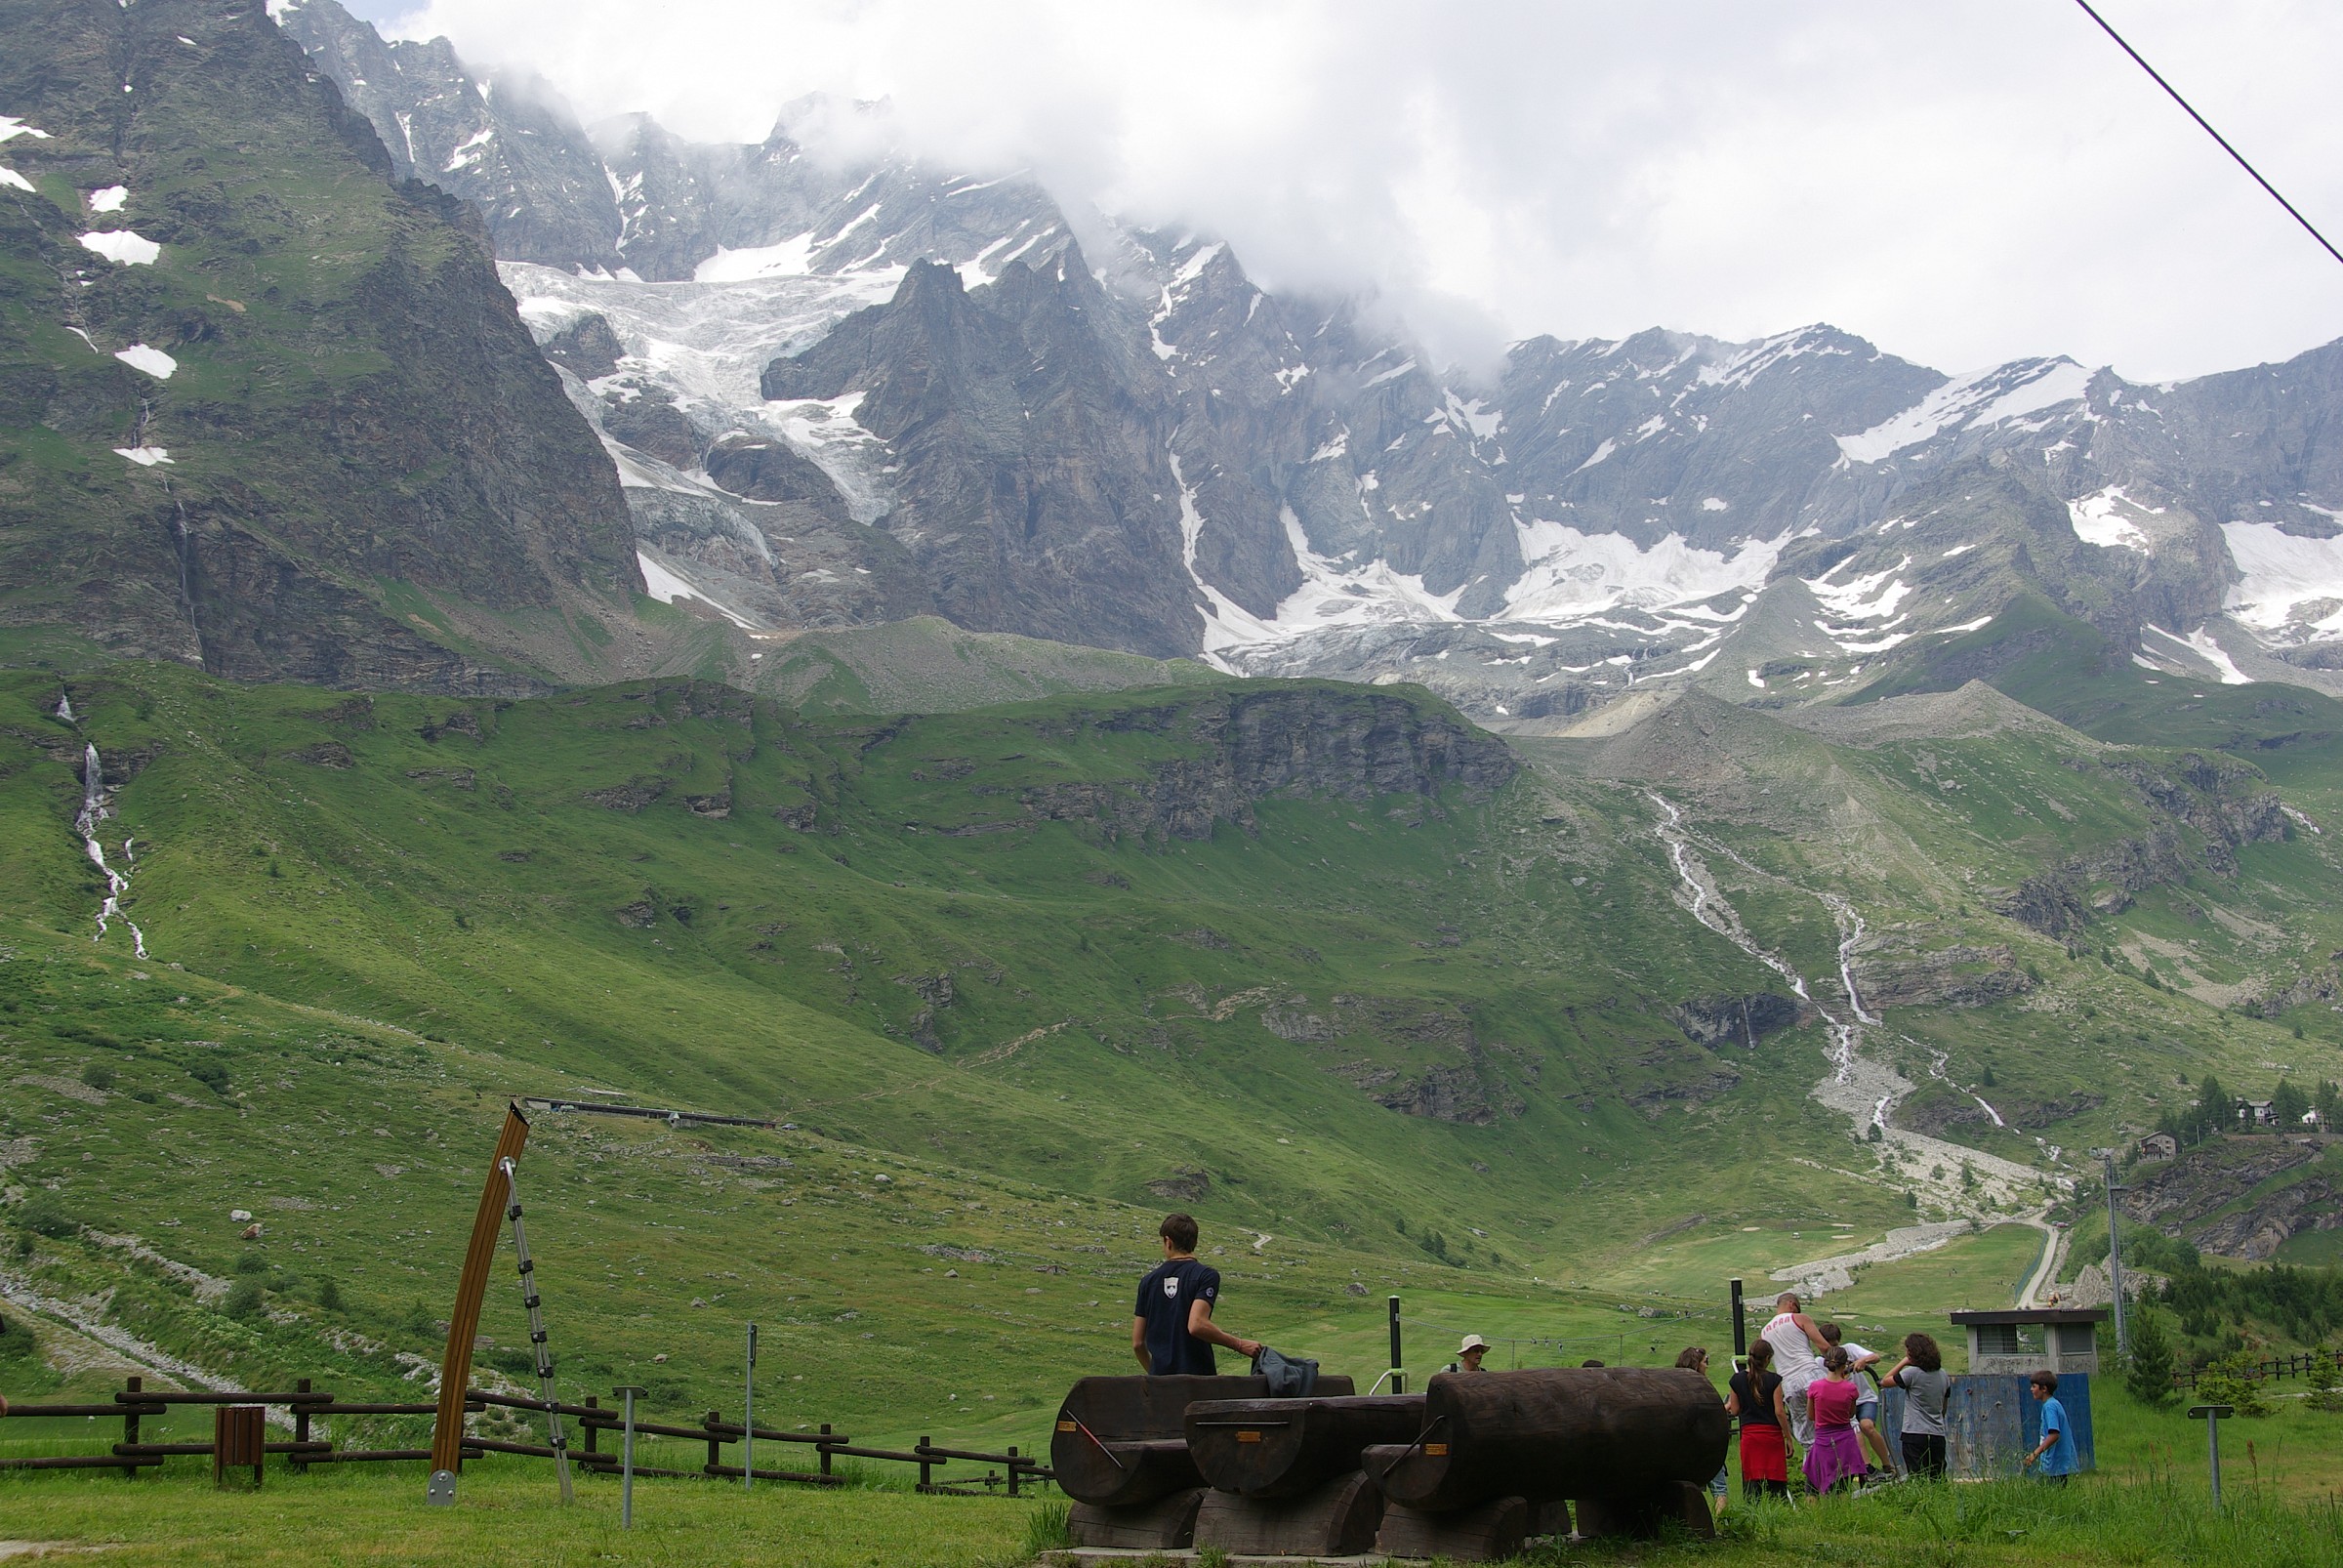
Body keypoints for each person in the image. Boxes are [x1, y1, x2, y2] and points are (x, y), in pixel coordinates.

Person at [1131, 1213, 1260, 1375]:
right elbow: (1196, 1324)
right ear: (1195, 1241)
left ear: (1168, 1241)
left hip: (1160, 1385)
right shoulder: (1205, 1275)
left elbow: (1137, 1343)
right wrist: (1239, 1344)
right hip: (1198, 1379)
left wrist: (1154, 1375)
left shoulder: (1148, 1281)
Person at [1818, 1321, 1895, 1478]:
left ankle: (1887, 1465)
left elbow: (1875, 1357)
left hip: (1864, 1399)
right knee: (1853, 1431)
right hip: (1843, 1403)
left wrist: (1862, 1361)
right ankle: (1865, 1469)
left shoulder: (1850, 1350)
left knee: (1867, 1426)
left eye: (1835, 1345)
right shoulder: (1819, 1363)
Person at [1760, 1292, 1830, 1448]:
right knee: (1835, 1423)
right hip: (1810, 1374)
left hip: (1788, 1384)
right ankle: (1845, 1468)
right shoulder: (1799, 1318)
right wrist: (1839, 1365)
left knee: (1808, 1439)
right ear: (1791, 1304)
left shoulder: (1764, 1332)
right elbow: (1823, 1346)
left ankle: (1814, 1470)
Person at [1726, 1338, 1792, 1502]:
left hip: (1750, 1436)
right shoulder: (1774, 1380)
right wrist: (1788, 1437)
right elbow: (1779, 1411)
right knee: (1776, 1481)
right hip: (1772, 1437)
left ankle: (1753, 1513)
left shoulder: (1737, 1380)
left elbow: (1734, 1410)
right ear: (1768, 1359)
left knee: (1752, 1481)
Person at [1883, 1332, 1951, 1479]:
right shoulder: (1943, 1375)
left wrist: (1903, 1362)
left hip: (1914, 1433)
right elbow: (1943, 1408)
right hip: (1937, 1434)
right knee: (1937, 1477)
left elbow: (1884, 1382)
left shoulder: (1911, 1373)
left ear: (1913, 1352)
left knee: (1917, 1477)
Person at [1800, 1347, 1867, 1495]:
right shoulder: (1850, 1388)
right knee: (1842, 1484)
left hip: (1823, 1440)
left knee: (1812, 1486)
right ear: (1844, 1365)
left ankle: (1814, 1515)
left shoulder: (1815, 1387)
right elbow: (1851, 1414)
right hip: (1845, 1439)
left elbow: (1811, 1415)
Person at [1676, 1347, 1730, 1515]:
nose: (1707, 1366)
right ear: (1697, 1365)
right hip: (1708, 1443)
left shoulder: (1675, 1386)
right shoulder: (1703, 1387)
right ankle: (1720, 1521)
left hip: (1684, 1444)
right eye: (1705, 1362)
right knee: (1719, 1486)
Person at [2021, 1370, 2077, 1484]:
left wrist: (2034, 1454)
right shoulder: (2053, 1404)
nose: (2031, 1389)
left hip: (2056, 1465)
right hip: (2055, 1464)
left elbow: (2054, 1435)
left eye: (2034, 1386)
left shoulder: (2050, 1407)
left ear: (2044, 1389)